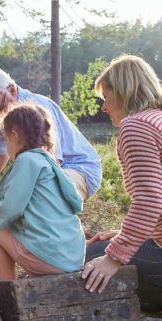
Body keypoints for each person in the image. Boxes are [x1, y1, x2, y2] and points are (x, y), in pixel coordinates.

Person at [0, 103, 85, 320]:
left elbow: (11, 209)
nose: (6, 146)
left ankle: (6, 299)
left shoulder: (27, 161)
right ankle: (25, 288)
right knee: (6, 231)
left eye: (6, 140)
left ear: (15, 134)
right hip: (72, 257)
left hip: (53, 259)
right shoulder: (50, 162)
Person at [81, 55, 162, 312]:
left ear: (125, 91)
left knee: (82, 258)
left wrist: (114, 257)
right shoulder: (157, 120)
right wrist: (129, 235)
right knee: (101, 246)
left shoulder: (137, 125)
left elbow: (150, 200)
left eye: (106, 96)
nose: (103, 107)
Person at [0, 66, 102, 201]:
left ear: (12, 89)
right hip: (48, 167)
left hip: (78, 167)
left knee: (42, 194)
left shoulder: (39, 107)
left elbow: (52, 161)